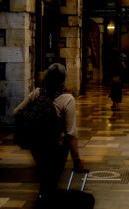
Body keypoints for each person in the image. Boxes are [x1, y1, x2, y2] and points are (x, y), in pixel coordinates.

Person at [13, 63, 86, 196]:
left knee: (43, 176)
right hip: (56, 147)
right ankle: (46, 207)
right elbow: (71, 134)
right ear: (64, 80)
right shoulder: (67, 100)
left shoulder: (37, 93)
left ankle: (43, 202)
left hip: (37, 145)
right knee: (52, 179)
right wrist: (76, 159)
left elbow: (16, 112)